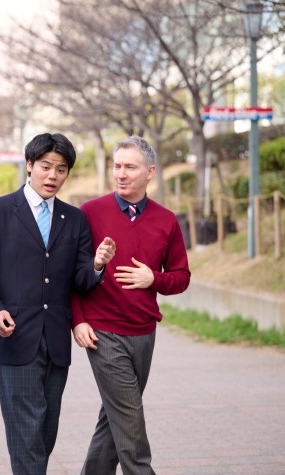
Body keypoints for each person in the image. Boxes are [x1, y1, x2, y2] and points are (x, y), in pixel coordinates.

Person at [0, 132, 116, 475]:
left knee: (45, 429)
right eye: (46, 167)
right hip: (13, 335)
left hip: (54, 341)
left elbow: (79, 280)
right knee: (26, 432)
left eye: (61, 169)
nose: (53, 176)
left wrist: (97, 264)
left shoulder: (74, 218)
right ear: (29, 166)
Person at [72, 135, 191, 475]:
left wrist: (153, 279)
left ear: (150, 171)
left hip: (143, 333)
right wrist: (78, 320)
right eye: (117, 166)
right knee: (130, 420)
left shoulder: (166, 220)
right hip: (102, 332)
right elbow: (73, 274)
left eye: (130, 167)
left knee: (115, 418)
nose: (121, 174)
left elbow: (182, 277)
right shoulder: (90, 213)